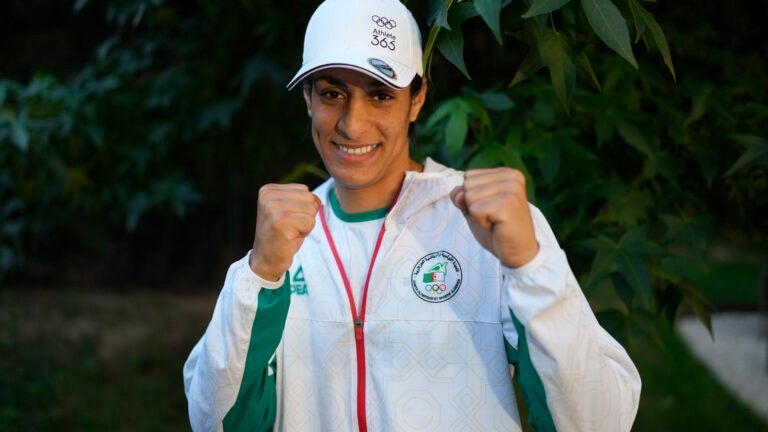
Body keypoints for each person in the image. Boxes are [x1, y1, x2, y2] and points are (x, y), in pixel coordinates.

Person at [183, 0, 641, 430]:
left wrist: (529, 264)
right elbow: (215, 420)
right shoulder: (283, 243)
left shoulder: (489, 227)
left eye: (380, 94)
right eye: (332, 93)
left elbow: (597, 420)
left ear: (417, 99)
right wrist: (258, 275)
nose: (352, 124)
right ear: (307, 98)